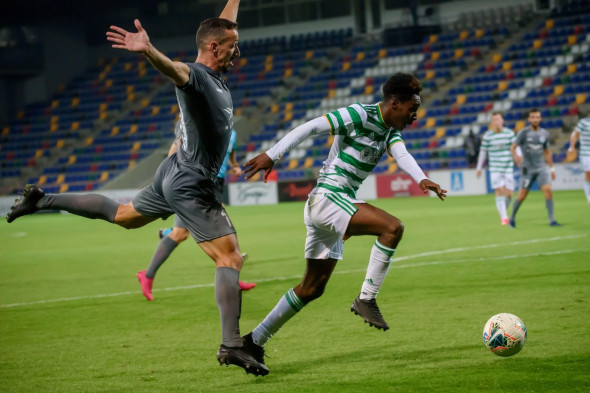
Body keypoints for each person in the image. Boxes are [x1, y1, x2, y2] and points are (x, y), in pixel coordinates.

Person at [6, 0, 268, 376]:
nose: (237, 51)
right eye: (233, 46)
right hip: (192, 181)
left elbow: (223, 25)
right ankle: (230, 346)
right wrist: (148, 50)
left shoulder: (216, 62)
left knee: (125, 215)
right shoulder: (195, 76)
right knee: (230, 258)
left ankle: (42, 198)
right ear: (214, 48)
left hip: (173, 171)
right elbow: (174, 69)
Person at [241, 72, 447, 371]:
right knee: (392, 227)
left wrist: (422, 179)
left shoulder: (389, 130)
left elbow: (402, 155)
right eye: (412, 109)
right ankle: (366, 299)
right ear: (394, 103)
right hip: (328, 197)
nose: (415, 116)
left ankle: (253, 341)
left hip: (336, 204)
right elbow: (311, 126)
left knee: (312, 288)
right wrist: (273, 154)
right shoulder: (359, 114)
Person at [137, 123, 256, 301]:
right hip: (194, 183)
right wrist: (172, 180)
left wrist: (234, 165)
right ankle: (147, 275)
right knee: (179, 234)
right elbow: (175, 149)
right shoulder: (198, 124)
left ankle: (233, 278)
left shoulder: (232, 133)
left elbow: (230, 152)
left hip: (216, 184)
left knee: (224, 232)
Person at [509, 108, 561, 227]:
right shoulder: (523, 133)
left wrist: (552, 168)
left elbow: (547, 152)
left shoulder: (544, 134)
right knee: (522, 196)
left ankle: (552, 220)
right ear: (529, 119)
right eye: (533, 117)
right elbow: (513, 147)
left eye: (537, 117)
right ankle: (512, 218)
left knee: (548, 191)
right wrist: (516, 156)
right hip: (527, 169)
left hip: (541, 168)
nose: (535, 119)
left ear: (540, 118)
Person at [475, 112, 516, 225]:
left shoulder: (509, 133)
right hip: (495, 168)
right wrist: (479, 167)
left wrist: (519, 158)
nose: (496, 122)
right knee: (499, 191)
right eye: (494, 120)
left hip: (508, 167)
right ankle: (504, 217)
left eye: (498, 119)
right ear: (492, 122)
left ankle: (503, 210)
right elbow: (483, 152)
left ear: (502, 120)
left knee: (509, 193)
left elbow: (515, 148)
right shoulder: (488, 136)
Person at [568, 116, 590, 206]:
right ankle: (589, 196)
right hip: (586, 154)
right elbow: (575, 134)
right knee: (588, 177)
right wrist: (572, 147)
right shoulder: (584, 122)